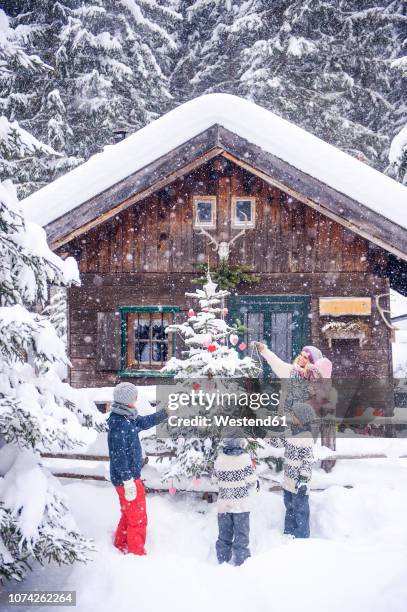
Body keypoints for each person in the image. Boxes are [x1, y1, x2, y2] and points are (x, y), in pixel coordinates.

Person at [251, 342, 327, 538]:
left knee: (300, 497)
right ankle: (289, 534)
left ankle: (301, 537)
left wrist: (314, 370)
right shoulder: (290, 372)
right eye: (302, 354)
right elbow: (275, 362)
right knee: (289, 493)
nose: (301, 358)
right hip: (290, 429)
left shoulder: (313, 383)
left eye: (307, 357)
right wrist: (264, 350)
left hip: (302, 429)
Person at [107, 382, 168, 555]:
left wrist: (165, 413)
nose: (136, 398)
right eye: (134, 396)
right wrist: (128, 480)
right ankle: (136, 553)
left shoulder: (127, 418)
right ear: (127, 400)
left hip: (127, 478)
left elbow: (145, 422)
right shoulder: (120, 423)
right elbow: (118, 456)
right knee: (138, 517)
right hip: (127, 480)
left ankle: (120, 544)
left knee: (129, 513)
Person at [212, 438, 257, 565]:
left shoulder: (220, 459)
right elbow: (251, 481)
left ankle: (223, 561)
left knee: (224, 536)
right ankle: (242, 562)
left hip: (224, 505)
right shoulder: (244, 458)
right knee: (241, 536)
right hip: (240, 506)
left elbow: (214, 481)